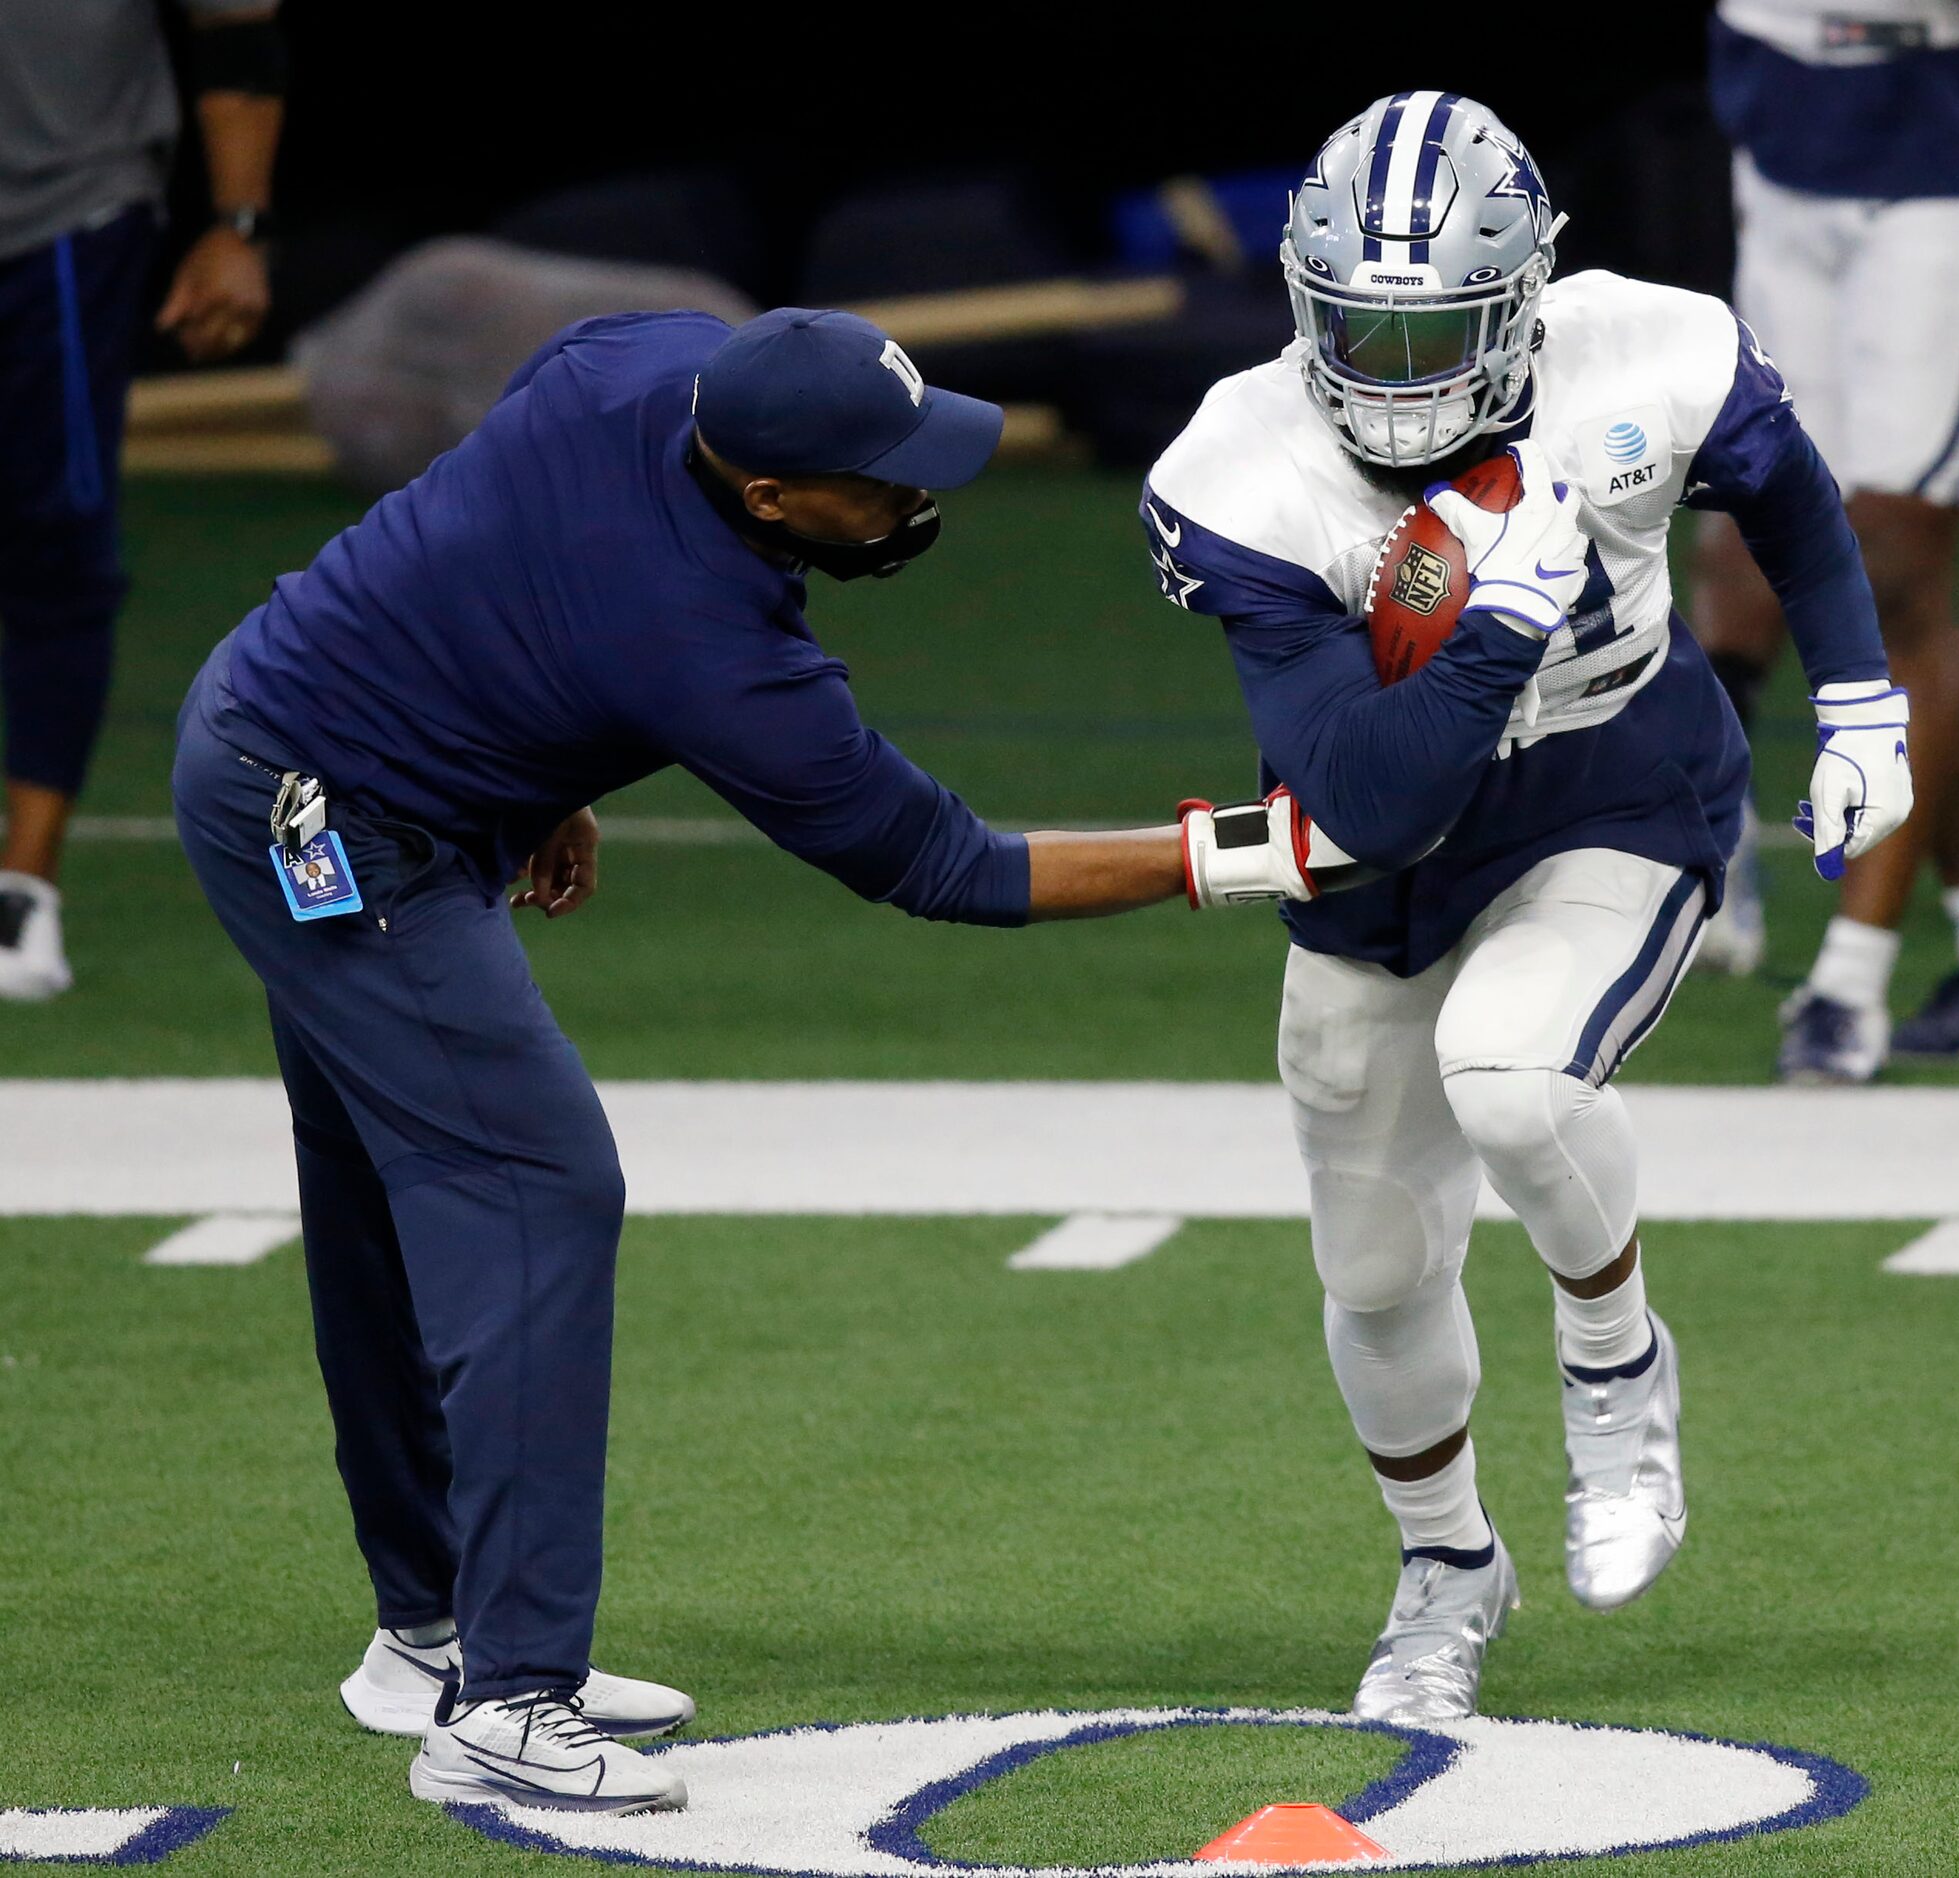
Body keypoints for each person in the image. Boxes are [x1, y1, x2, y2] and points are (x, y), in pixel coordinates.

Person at [171, 305, 1329, 1815]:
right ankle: (505, 1702)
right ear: (770, 497)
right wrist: (1242, 853)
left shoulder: (644, 364)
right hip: (326, 823)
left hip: (309, 743)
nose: (919, 495)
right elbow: (944, 865)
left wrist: (540, 745)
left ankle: (430, 1636)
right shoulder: (699, 634)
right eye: (882, 478)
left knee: (394, 1202)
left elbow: (527, 440)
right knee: (533, 1183)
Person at [1140, 92, 1907, 1722]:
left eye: (1436, 339)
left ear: (1526, 298)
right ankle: (1444, 1567)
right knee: (1371, 1266)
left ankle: (1618, 1367)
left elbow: (1786, 496)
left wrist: (1858, 701)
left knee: (1512, 1073)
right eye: (1361, 332)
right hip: (1385, 846)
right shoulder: (1235, 466)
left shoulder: (1650, 347)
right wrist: (1489, 629)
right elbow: (1363, 795)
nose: (1394, 376)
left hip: (1612, 780)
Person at [1695, 0, 1959, 1079]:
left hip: (1938, 154)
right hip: (1781, 138)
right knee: (1758, 532)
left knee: (1893, 574)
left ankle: (1849, 982)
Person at [0, 0, 283, 999]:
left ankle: (22, 886)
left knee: (54, 540)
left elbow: (237, 22)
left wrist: (238, 223)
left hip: (55, 210)